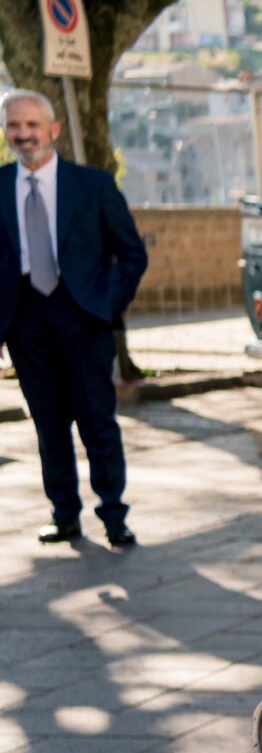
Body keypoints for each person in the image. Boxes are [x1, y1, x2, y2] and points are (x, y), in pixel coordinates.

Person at [2, 88, 147, 548]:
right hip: (23, 317)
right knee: (48, 423)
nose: (24, 134)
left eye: (32, 125)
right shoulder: (0, 186)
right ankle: (64, 514)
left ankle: (113, 515)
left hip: (83, 315)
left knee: (96, 420)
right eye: (14, 126)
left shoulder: (93, 185)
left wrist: (107, 305)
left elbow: (132, 253)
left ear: (54, 130)